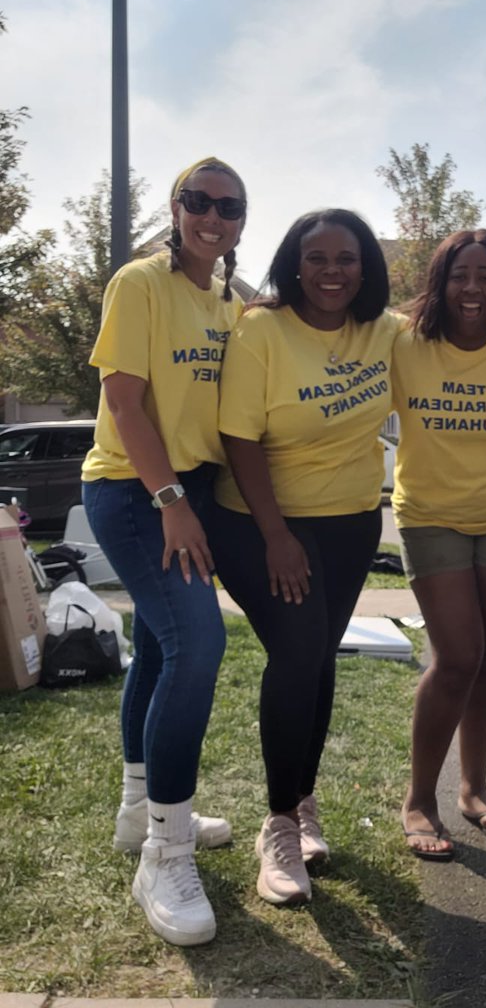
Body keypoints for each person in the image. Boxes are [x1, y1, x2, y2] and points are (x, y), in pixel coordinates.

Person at [211, 208, 399, 905]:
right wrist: (276, 536)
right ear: (294, 263)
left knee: (319, 658)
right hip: (261, 521)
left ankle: (304, 800)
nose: (331, 271)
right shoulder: (261, 328)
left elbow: (448, 341)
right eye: (316, 258)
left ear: (365, 267)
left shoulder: (385, 332)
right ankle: (280, 826)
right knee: (295, 655)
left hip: (351, 523)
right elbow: (240, 439)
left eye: (345, 258)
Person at [81, 157, 247, 946]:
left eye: (229, 206)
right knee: (197, 643)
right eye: (199, 201)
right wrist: (173, 503)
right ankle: (164, 850)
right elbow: (123, 400)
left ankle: (135, 810)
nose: (213, 216)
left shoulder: (230, 302)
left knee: (155, 648)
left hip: (193, 490)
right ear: (176, 209)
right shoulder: (139, 283)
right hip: (134, 488)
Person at [392, 228, 486, 860]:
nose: (473, 288)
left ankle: (474, 790)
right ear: (441, 281)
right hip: (430, 516)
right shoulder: (403, 343)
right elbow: (333, 335)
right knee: (456, 657)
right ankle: (418, 800)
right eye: (460, 275)